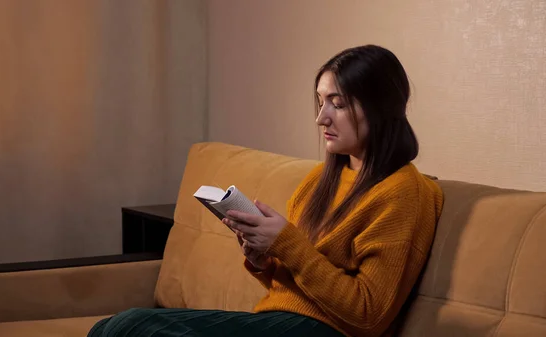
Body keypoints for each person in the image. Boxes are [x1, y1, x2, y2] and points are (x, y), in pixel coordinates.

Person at [87, 45, 443, 337]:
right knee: (108, 329)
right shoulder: (321, 181)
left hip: (326, 332)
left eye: (338, 103)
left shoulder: (402, 192)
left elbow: (369, 313)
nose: (321, 118)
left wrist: (287, 243)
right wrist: (263, 258)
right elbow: (295, 281)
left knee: (133, 328)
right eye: (320, 102)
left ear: (380, 108)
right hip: (280, 321)